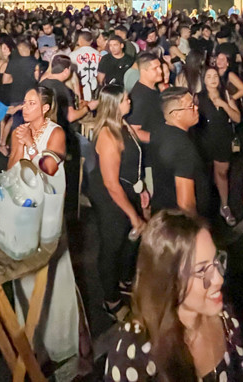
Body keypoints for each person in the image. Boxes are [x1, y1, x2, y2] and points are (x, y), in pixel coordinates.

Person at [104, 210, 243, 381]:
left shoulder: (225, 318)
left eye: (216, 262)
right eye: (202, 271)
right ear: (168, 280)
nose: (219, 279)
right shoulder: (134, 352)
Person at [6, 86, 82, 363]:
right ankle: (32, 342)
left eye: (31, 103)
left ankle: (60, 343)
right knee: (25, 275)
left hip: (48, 213)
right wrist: (19, 146)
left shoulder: (56, 132)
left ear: (46, 108)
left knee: (52, 276)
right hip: (24, 211)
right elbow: (11, 168)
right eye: (24, 102)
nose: (25, 108)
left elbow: (49, 167)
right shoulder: (19, 131)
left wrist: (31, 144)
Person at [86, 85, 148, 317]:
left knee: (127, 239)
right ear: (113, 105)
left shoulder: (122, 124)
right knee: (112, 244)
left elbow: (135, 156)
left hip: (127, 188)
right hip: (109, 195)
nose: (129, 101)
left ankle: (123, 280)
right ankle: (110, 300)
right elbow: (111, 184)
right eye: (125, 99)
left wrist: (140, 187)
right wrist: (133, 215)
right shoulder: (108, 135)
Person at [151, 87, 210, 217]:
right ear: (176, 114)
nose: (196, 108)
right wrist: (197, 226)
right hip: (178, 220)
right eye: (191, 106)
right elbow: (185, 204)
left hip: (163, 210)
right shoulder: (183, 147)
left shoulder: (159, 131)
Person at [197, 66, 241, 225]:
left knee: (222, 174)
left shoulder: (226, 94)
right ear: (204, 80)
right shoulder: (199, 97)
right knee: (204, 176)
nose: (213, 79)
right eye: (209, 76)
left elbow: (237, 118)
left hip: (223, 138)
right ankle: (203, 210)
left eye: (215, 76)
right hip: (204, 140)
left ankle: (224, 205)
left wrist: (224, 105)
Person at [70, 29, 101, 102]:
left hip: (79, 88)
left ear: (79, 40)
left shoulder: (72, 55)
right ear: (91, 41)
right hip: (95, 88)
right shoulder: (98, 54)